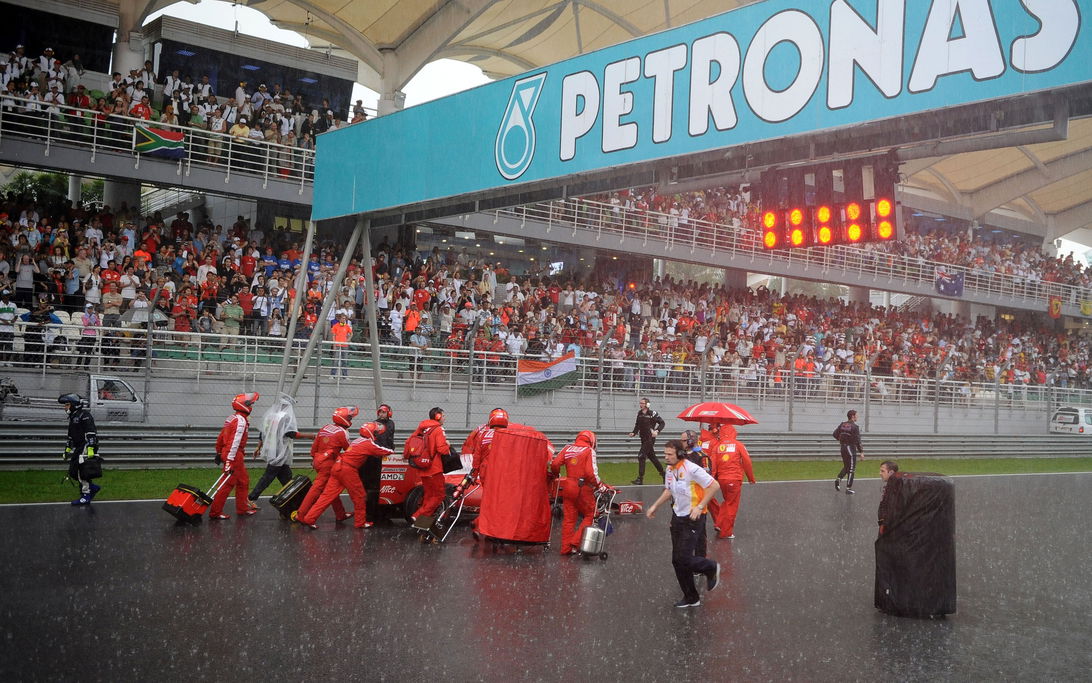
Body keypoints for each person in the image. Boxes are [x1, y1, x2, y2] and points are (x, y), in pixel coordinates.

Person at [646, 440, 721, 608]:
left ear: (680, 453)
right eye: (664, 454)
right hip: (677, 517)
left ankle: (711, 567)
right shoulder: (670, 469)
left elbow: (714, 485)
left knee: (684, 558)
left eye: (669, 454)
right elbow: (668, 490)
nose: (666, 457)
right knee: (677, 560)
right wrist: (654, 506)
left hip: (693, 518)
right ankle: (691, 597)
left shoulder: (692, 468)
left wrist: (700, 506)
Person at [299, 422, 393, 529]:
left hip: (337, 467)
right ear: (370, 432)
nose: (377, 434)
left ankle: (309, 518)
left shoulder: (357, 441)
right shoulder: (368, 443)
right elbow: (386, 451)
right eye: (376, 432)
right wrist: (394, 450)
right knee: (359, 496)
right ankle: (360, 522)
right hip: (348, 470)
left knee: (326, 496)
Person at [549, 430, 612, 556]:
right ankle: (575, 542)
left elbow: (555, 464)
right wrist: (600, 486)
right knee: (591, 514)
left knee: (569, 520)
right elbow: (591, 473)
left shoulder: (568, 448)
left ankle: (565, 548)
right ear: (592, 440)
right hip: (583, 488)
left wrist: (556, 474)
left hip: (568, 486)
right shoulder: (589, 451)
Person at [294, 406, 357, 524]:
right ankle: (301, 514)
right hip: (328, 464)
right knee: (317, 490)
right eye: (349, 417)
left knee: (331, 489)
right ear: (344, 419)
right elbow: (349, 450)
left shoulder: (325, 427)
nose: (351, 419)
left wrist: (315, 460)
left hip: (318, 461)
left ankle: (340, 514)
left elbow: (314, 448)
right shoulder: (343, 432)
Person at [209, 393, 260, 519]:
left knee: (243, 481)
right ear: (243, 405)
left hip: (233, 453)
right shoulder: (241, 421)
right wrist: (229, 460)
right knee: (227, 484)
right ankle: (215, 512)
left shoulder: (232, 418)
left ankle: (242, 509)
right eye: (250, 404)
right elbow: (234, 442)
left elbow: (221, 436)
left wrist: (219, 452)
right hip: (234, 454)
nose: (252, 405)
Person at [247, 394, 299, 507]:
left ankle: (294, 499)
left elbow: (263, 432)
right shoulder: (285, 417)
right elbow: (291, 433)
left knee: (287, 478)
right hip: (279, 452)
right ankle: (251, 498)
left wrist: (259, 446)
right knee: (268, 477)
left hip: (271, 449)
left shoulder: (270, 415)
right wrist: (310, 436)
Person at [706, 424, 756, 539]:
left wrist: (712, 479)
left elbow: (713, 464)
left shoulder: (717, 446)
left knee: (727, 502)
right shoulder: (739, 445)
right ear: (734, 433)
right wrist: (751, 478)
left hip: (722, 480)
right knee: (732, 505)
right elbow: (747, 462)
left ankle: (719, 524)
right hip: (734, 479)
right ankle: (726, 532)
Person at [409, 406, 452, 526]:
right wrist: (447, 444)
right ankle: (417, 516)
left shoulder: (422, 428)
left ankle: (422, 524)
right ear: (438, 417)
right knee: (439, 496)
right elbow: (442, 450)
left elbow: (410, 442)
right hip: (434, 468)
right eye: (443, 416)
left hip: (423, 468)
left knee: (429, 497)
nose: (444, 418)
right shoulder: (438, 429)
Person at [59, 393, 100, 505]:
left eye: (67, 405)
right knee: (73, 471)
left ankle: (86, 495)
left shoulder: (84, 415)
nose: (65, 407)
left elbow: (91, 432)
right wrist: (67, 450)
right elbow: (71, 436)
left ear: (74, 405)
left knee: (81, 471)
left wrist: (91, 448)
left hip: (86, 446)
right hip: (79, 446)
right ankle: (93, 487)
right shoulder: (73, 417)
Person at [362, 404, 396, 522]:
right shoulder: (374, 424)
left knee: (384, 484)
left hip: (386, 455)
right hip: (375, 456)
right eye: (380, 412)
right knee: (373, 486)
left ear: (388, 413)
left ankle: (382, 511)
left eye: (384, 412)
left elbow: (389, 439)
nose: (381, 414)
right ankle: (370, 513)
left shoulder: (391, 423)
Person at [628, 397, 665, 485]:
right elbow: (637, 425)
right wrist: (634, 432)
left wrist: (657, 431)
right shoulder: (639, 413)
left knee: (641, 456)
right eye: (640, 403)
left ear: (647, 405)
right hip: (643, 438)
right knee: (652, 457)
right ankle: (664, 474)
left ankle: (640, 478)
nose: (641, 405)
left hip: (650, 438)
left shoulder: (653, 413)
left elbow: (662, 423)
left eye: (643, 403)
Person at [833, 409, 865, 494]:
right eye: (857, 415)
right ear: (853, 416)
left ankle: (838, 479)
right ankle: (848, 488)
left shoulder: (842, 424)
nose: (858, 417)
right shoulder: (855, 427)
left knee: (847, 467)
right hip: (850, 449)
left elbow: (834, 434)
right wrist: (861, 452)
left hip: (843, 448)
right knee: (851, 469)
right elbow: (858, 441)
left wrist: (842, 440)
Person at [877, 460, 900, 536]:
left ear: (891, 473)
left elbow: (891, 509)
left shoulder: (896, 488)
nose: (880, 473)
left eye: (882, 471)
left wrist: (884, 525)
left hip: (891, 529)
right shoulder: (889, 486)